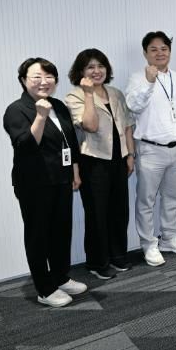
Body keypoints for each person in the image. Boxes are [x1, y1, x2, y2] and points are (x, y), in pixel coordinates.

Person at [3, 58, 87, 307]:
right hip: (34, 183)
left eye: (49, 76)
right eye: (36, 77)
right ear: (23, 80)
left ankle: (61, 277)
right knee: (38, 235)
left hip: (61, 179)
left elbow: (70, 142)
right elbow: (26, 146)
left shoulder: (58, 105)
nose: (44, 81)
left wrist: (75, 171)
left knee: (61, 231)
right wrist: (40, 117)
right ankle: (45, 288)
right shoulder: (16, 110)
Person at [65, 49, 135, 279]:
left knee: (119, 211)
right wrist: (88, 95)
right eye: (90, 67)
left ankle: (118, 255)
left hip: (119, 160)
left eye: (100, 66)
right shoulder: (74, 96)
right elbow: (90, 126)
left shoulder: (115, 93)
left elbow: (127, 126)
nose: (97, 71)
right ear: (81, 71)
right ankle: (97, 262)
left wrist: (131, 155)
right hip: (93, 162)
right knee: (97, 214)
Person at [125, 31, 176, 266]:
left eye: (164, 48)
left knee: (172, 196)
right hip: (150, 150)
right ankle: (149, 244)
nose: (159, 53)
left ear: (170, 52)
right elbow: (133, 106)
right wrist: (149, 81)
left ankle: (169, 238)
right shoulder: (137, 78)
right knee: (146, 201)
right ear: (145, 53)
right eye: (153, 49)